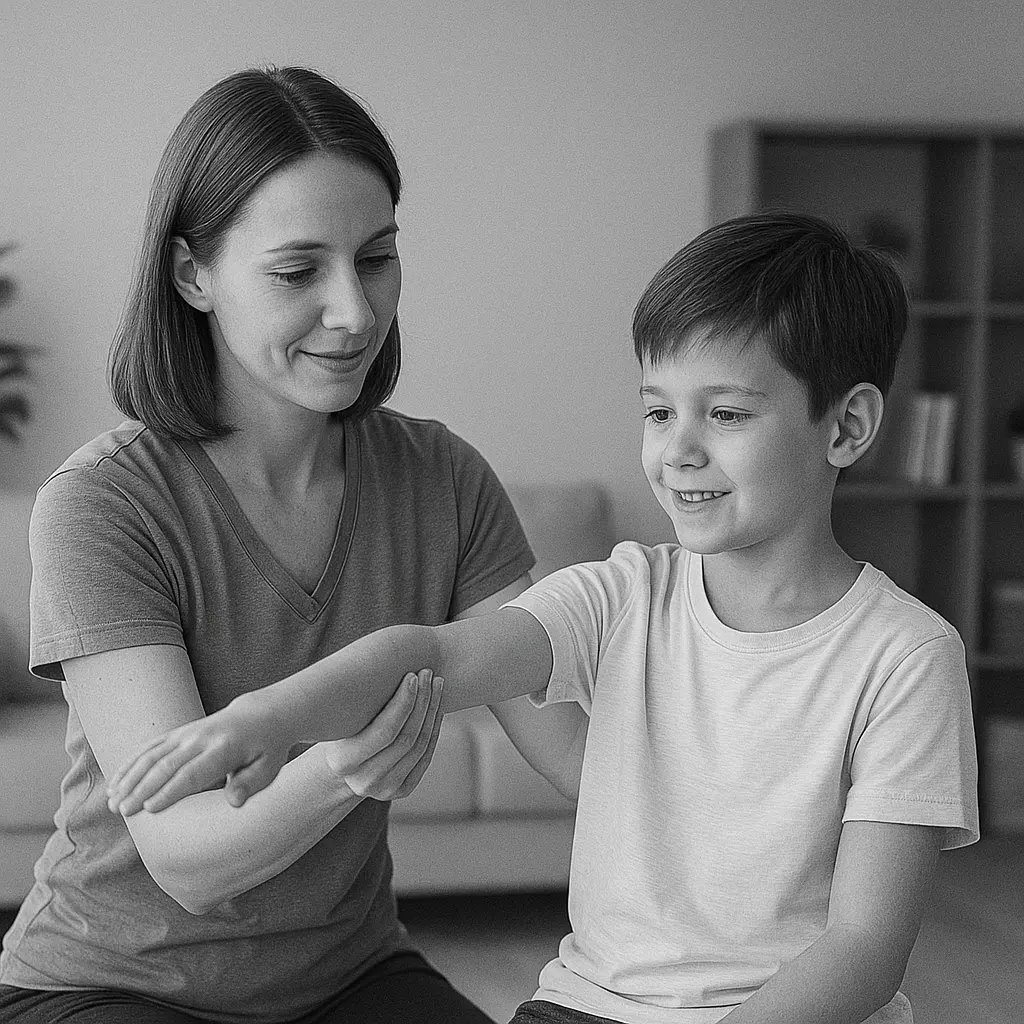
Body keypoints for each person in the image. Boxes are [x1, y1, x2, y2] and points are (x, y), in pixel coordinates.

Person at [108, 211, 980, 1024]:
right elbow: (433, 655)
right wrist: (267, 716)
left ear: (849, 426)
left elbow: (866, 948)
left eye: (725, 413)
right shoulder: (622, 594)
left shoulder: (906, 657)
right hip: (584, 1004)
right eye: (657, 411)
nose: (678, 448)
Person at [0, 66, 539, 1024]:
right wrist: (343, 760)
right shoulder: (102, 504)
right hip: (109, 983)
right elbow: (190, 859)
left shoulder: (444, 478)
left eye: (376, 259)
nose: (356, 312)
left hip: (350, 973)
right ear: (191, 275)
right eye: (298, 272)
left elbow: (567, 730)